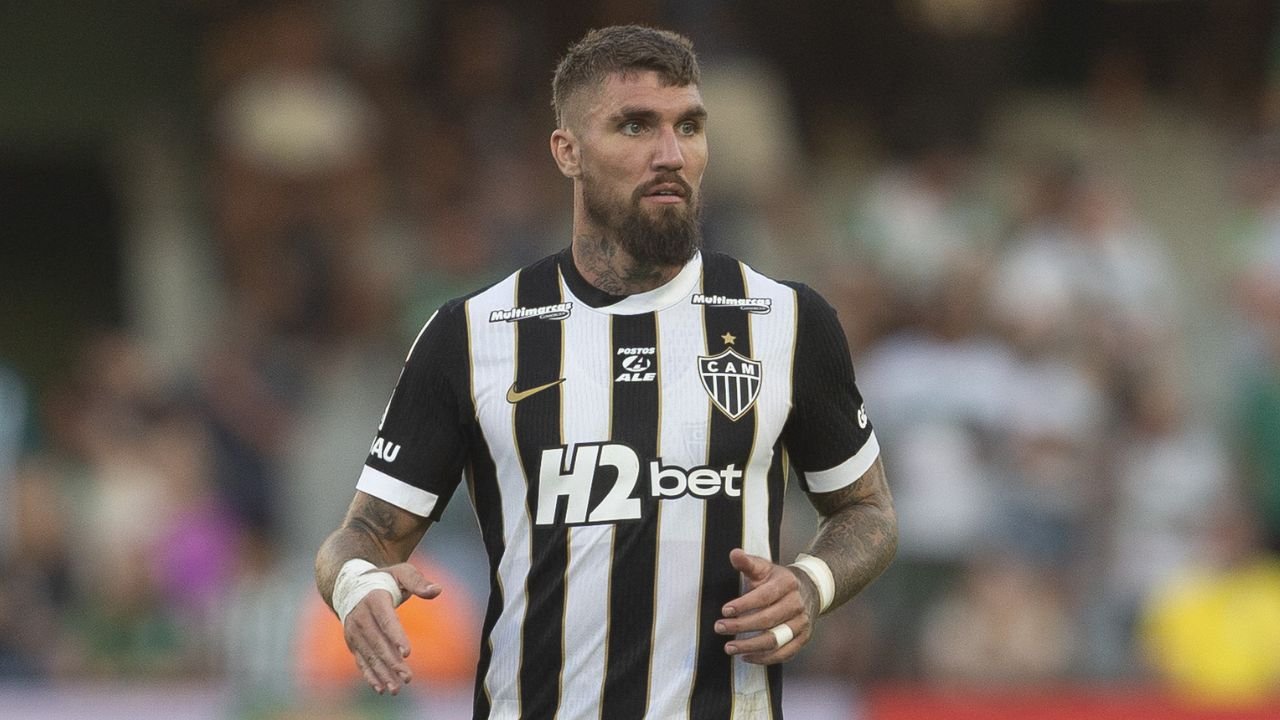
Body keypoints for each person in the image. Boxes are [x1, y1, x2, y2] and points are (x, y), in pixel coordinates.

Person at [314, 25, 897, 719]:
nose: (671, 154)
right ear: (568, 151)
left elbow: (867, 510)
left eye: (689, 126)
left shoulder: (786, 321)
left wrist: (811, 582)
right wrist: (356, 584)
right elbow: (364, 535)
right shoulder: (471, 333)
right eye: (635, 126)